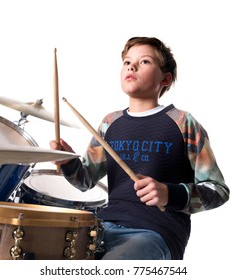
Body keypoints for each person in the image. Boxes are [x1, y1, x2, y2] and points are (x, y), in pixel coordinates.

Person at [50, 36, 230, 260]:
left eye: (144, 61)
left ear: (166, 79)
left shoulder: (183, 122)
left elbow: (217, 191)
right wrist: (68, 162)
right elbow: (84, 181)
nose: (131, 66)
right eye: (127, 62)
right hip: (103, 225)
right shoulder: (110, 122)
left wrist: (169, 194)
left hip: (154, 232)